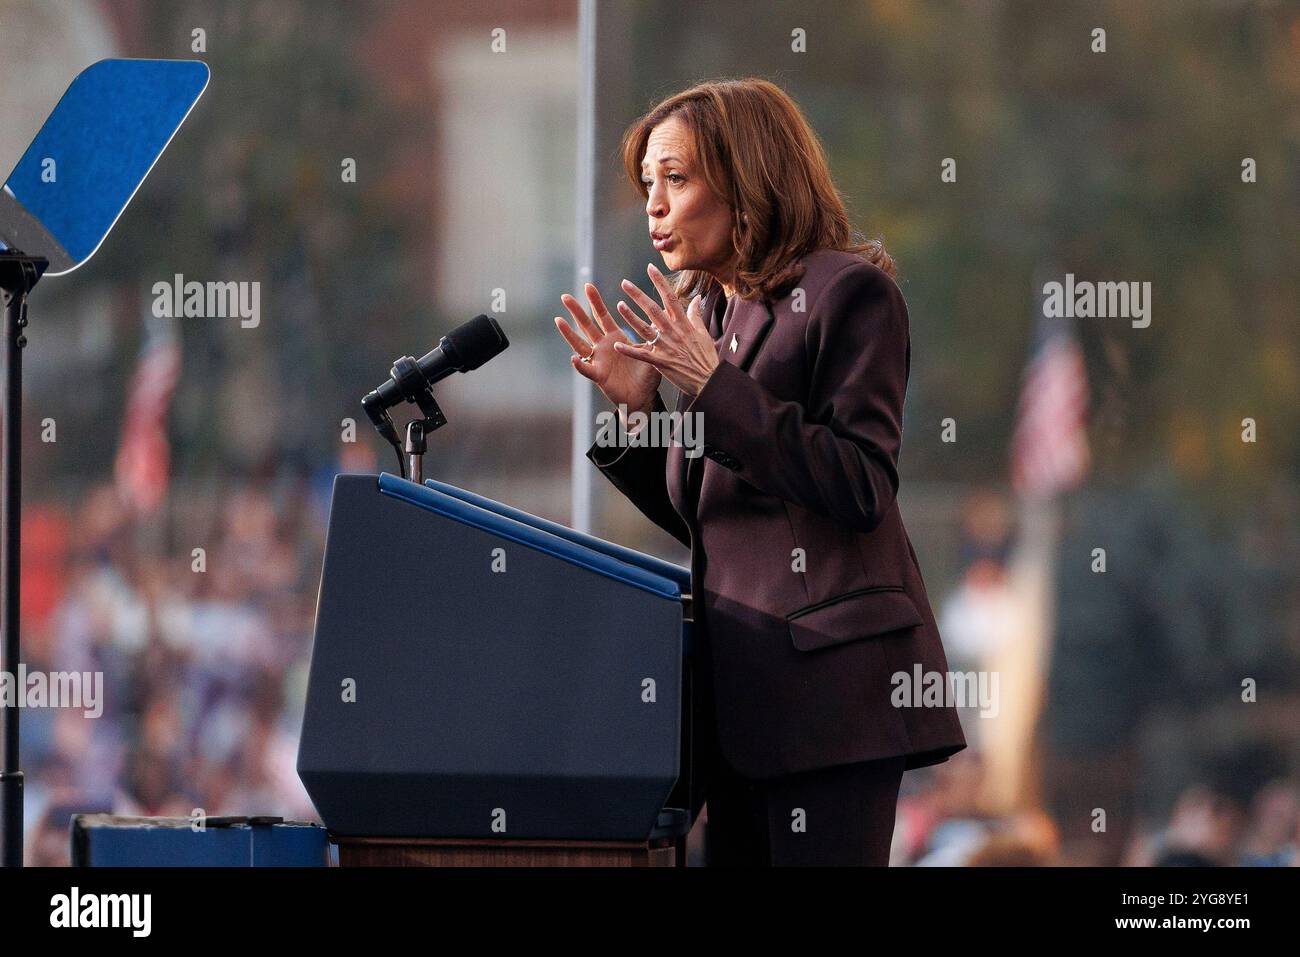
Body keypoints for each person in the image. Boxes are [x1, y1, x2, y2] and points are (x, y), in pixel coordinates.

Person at [553, 77, 966, 866]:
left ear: (748, 178)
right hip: (730, 712)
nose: (655, 206)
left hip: (831, 703)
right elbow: (717, 518)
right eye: (648, 185)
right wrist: (643, 412)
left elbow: (859, 483)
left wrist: (712, 389)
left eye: (677, 178)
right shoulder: (707, 315)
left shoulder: (851, 294)